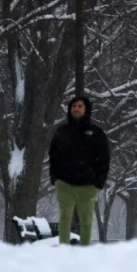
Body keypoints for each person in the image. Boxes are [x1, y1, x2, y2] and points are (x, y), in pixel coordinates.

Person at [48, 96, 110, 245]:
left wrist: (98, 184)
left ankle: (85, 253)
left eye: (80, 106)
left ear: (86, 109)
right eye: (74, 106)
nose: (76, 109)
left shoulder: (96, 133)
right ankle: (64, 251)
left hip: (88, 186)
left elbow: (104, 159)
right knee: (64, 217)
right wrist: (55, 179)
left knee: (87, 221)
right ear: (70, 109)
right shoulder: (61, 132)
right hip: (64, 184)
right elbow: (53, 156)